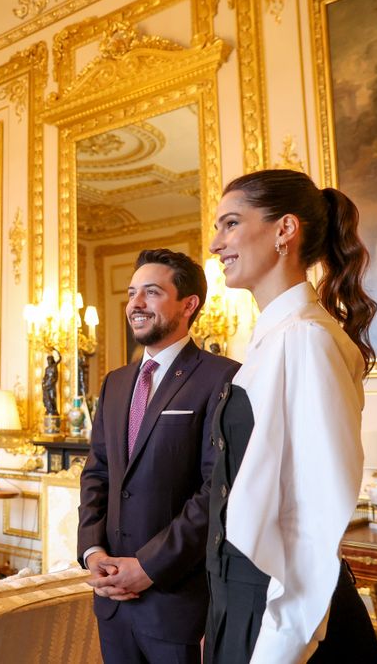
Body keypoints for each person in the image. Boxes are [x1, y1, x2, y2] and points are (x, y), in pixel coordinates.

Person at [205, 169, 377, 663]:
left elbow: (312, 517)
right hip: (245, 604)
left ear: (285, 230)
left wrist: (278, 648)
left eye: (231, 224)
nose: (216, 243)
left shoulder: (306, 339)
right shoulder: (273, 341)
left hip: (289, 626)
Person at [78, 248, 239, 664]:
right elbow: (97, 474)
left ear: (188, 304)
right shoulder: (114, 383)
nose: (135, 304)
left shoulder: (224, 376)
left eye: (151, 293)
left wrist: (148, 567)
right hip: (112, 602)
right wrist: (92, 553)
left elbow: (216, 489)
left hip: (177, 602)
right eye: (132, 293)